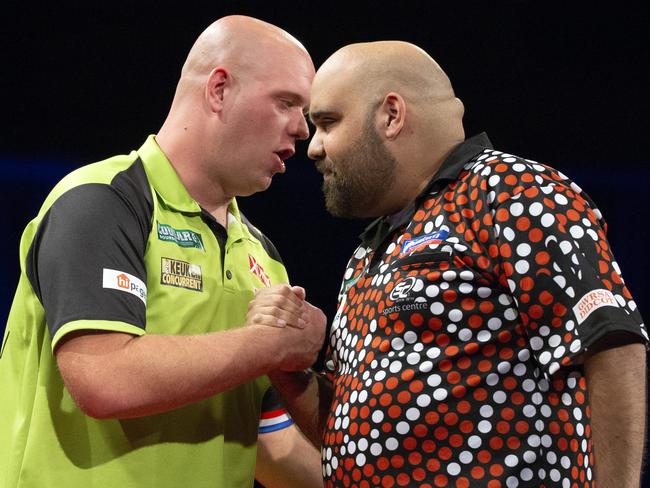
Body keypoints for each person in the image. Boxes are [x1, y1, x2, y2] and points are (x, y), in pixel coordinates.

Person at [257, 41, 648, 487]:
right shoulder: (371, 248)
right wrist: (287, 368)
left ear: (391, 115)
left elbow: (611, 341)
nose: (314, 147)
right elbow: (351, 433)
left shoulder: (512, 192)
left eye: (328, 122)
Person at [0, 15, 326, 488]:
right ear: (219, 90)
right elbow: (103, 377)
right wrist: (269, 346)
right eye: (286, 103)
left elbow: (270, 444)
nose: (302, 131)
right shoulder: (102, 200)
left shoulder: (262, 257)